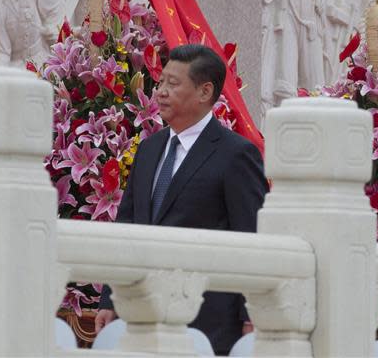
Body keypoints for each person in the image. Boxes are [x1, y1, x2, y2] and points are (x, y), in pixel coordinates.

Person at [96, 44, 269, 356]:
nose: (160, 92)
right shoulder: (149, 150)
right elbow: (126, 227)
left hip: (209, 319)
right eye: (160, 82)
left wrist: (250, 314)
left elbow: (252, 236)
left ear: (205, 92)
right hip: (143, 315)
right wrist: (110, 298)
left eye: (172, 84)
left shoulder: (236, 155)